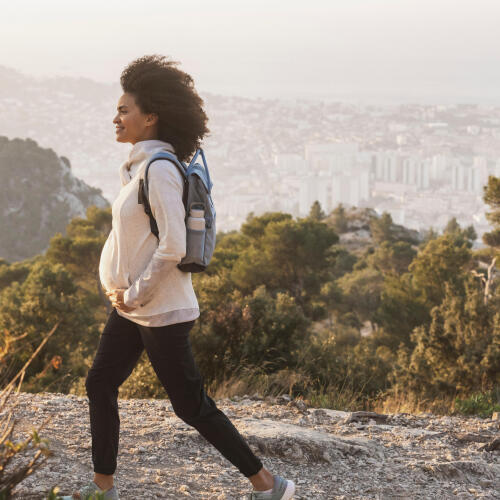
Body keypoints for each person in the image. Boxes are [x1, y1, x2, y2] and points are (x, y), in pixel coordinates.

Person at [61, 55, 296, 500]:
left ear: (150, 118)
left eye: (125, 110)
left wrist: (135, 290)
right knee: (100, 384)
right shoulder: (138, 167)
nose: (116, 117)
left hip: (161, 310)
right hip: (133, 309)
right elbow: (129, 237)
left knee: (190, 406)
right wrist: (119, 288)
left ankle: (269, 485)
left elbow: (174, 245)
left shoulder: (160, 170)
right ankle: (102, 488)